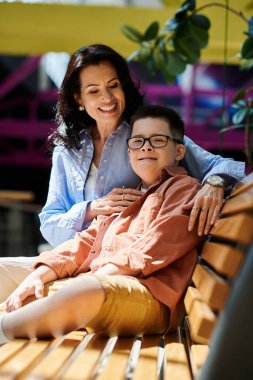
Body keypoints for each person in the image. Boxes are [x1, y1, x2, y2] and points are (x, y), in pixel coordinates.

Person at [0, 44, 245, 303]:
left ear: (123, 87)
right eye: (94, 91)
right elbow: (49, 223)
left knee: (24, 301)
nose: (107, 98)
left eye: (113, 85)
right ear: (78, 98)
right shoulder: (67, 149)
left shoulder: (145, 136)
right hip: (72, 260)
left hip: (120, 269)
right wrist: (92, 208)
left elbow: (222, 166)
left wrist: (215, 183)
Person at [0, 105, 204, 344]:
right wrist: (38, 276)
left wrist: (86, 279)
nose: (146, 146)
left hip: (150, 294)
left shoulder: (185, 190)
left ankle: (3, 329)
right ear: (129, 152)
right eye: (137, 141)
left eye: (158, 140)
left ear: (179, 151)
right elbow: (84, 242)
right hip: (99, 283)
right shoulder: (129, 196)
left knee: (85, 289)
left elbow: (152, 249)